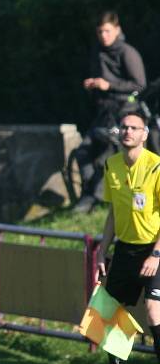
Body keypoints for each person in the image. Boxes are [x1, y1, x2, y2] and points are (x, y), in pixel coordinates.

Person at [87, 109, 160, 364]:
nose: (128, 131)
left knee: (155, 312)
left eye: (134, 127)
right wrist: (102, 252)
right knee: (108, 312)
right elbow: (112, 214)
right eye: (124, 127)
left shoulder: (155, 166)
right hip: (125, 249)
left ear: (144, 134)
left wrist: (156, 254)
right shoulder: (111, 165)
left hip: (153, 248)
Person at [73, 11, 146, 214]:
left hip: (124, 114)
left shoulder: (127, 53)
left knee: (110, 153)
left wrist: (109, 85)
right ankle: (91, 193)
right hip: (103, 114)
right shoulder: (97, 52)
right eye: (99, 32)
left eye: (107, 31)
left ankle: (95, 198)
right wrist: (94, 85)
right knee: (83, 152)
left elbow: (140, 85)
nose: (103, 36)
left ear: (117, 29)